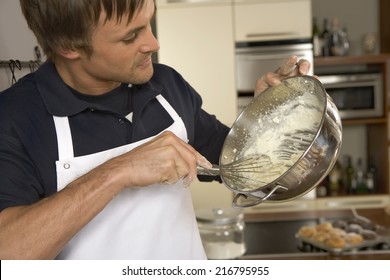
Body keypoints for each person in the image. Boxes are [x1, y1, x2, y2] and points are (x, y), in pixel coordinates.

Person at [0, 0, 311, 260]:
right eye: (131, 36)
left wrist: (267, 116)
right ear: (69, 45)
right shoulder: (14, 118)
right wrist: (118, 172)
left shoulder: (168, 86)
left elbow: (243, 170)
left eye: (149, 23)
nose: (153, 43)